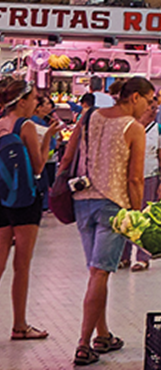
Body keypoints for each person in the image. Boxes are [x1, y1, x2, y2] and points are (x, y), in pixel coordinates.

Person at [61, 77, 151, 366]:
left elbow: (67, 159)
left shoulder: (90, 117)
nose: (150, 107)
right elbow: (135, 179)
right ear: (134, 97)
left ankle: (103, 335)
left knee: (96, 273)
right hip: (113, 206)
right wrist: (136, 215)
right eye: (149, 101)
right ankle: (83, 344)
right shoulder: (134, 128)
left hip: (82, 202)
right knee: (100, 274)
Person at [0, 79, 61, 341]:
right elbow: (38, 167)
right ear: (22, 101)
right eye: (34, 98)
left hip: (1, 198)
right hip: (25, 202)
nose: (37, 102)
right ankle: (20, 326)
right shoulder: (24, 126)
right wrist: (47, 137)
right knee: (21, 265)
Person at [119, 98, 161, 272]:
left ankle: (142, 257)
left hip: (149, 178)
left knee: (146, 218)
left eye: (156, 109)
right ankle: (123, 256)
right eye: (150, 108)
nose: (154, 111)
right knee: (127, 217)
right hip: (128, 178)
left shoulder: (158, 129)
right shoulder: (130, 127)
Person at [32, 97, 61, 209]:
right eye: (47, 104)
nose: (50, 106)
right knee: (43, 183)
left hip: (46, 156)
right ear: (39, 108)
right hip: (42, 157)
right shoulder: (35, 122)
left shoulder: (45, 120)